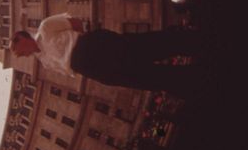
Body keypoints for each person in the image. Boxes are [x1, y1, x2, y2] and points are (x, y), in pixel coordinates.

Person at [11, 12, 201, 98]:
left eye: (19, 51)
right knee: (138, 77)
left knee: (143, 47)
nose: (23, 56)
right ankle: (187, 79)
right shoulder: (43, 62)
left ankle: (189, 41)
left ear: (22, 38)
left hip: (92, 47)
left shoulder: (45, 28)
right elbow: (68, 70)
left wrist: (89, 43)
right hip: (89, 68)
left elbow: (74, 23)